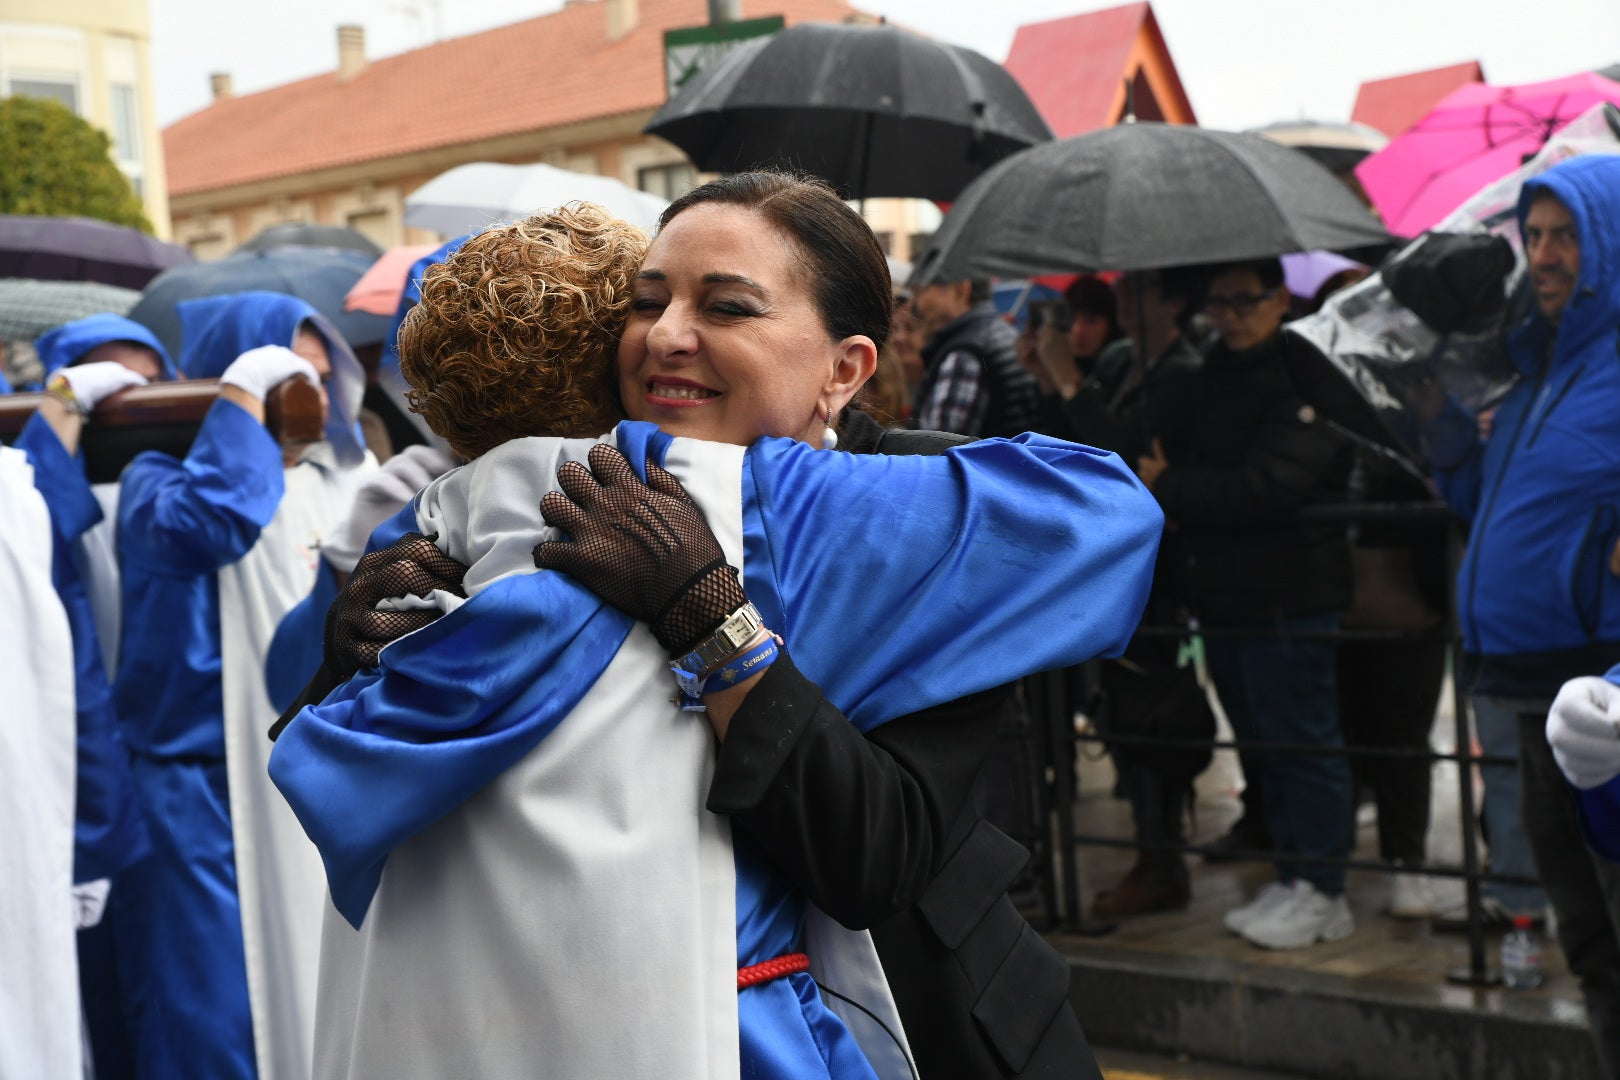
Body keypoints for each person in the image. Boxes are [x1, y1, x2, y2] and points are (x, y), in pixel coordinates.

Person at [270, 184, 1163, 1080]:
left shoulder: (900, 520)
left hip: (930, 1024)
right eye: (648, 301)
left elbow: (873, 860)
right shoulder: (542, 503)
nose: (665, 335)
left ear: (843, 371)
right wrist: (352, 645)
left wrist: (710, 616)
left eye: (727, 306)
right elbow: (354, 773)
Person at [110, 291, 373, 1080]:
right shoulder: (157, 482)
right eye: (290, 376)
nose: (311, 398)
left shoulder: (339, 483)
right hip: (205, 799)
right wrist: (241, 399)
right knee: (217, 1016)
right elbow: (206, 525)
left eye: (321, 377)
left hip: (321, 789)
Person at [1420, 156, 1620, 1075]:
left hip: (1604, 693)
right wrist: (1452, 431)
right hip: (1536, 693)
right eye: (1533, 234)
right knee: (1589, 943)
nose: (1542, 255)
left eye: (1566, 234)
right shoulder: (1536, 369)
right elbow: (1480, 506)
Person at [1145, 257, 1355, 950]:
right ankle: (1295, 875)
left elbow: (1269, 485)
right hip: (1229, 591)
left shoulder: (1305, 372)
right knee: (1267, 744)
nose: (1230, 315)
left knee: (1303, 741)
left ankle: (1322, 886)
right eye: (1219, 302)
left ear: (1280, 298)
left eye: (1246, 301)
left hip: (1291, 593)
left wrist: (1174, 483)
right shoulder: (1210, 372)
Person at [1027, 267, 1209, 919]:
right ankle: (1151, 851)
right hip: (1108, 566)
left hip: (1156, 575)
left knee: (1150, 709)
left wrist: (1072, 384)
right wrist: (1055, 384)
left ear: (1174, 301)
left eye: (1141, 291)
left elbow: (1122, 464)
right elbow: (1074, 447)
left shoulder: (1186, 373)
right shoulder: (1122, 360)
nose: (1126, 302)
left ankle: (1161, 861)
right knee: (1120, 711)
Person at [907, 276, 1041, 437]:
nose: (917, 306)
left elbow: (936, 445)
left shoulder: (964, 352)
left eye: (922, 292)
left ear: (960, 289)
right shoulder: (1004, 333)